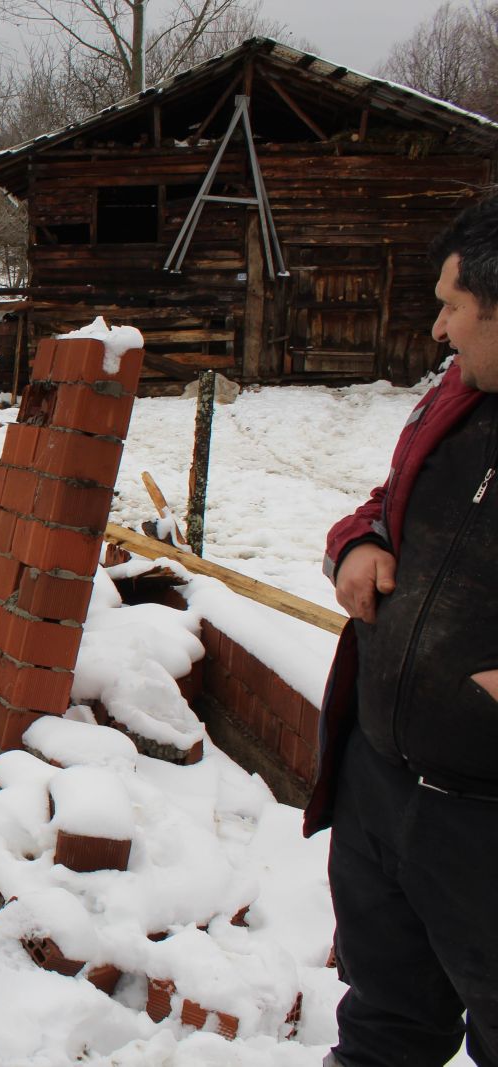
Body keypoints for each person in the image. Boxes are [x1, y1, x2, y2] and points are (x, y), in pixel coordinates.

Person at [306, 195, 498, 1067]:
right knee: (383, 1021)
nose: (437, 329)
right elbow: (387, 503)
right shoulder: (456, 398)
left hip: (483, 823)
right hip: (382, 785)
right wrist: (358, 542)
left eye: (452, 307)